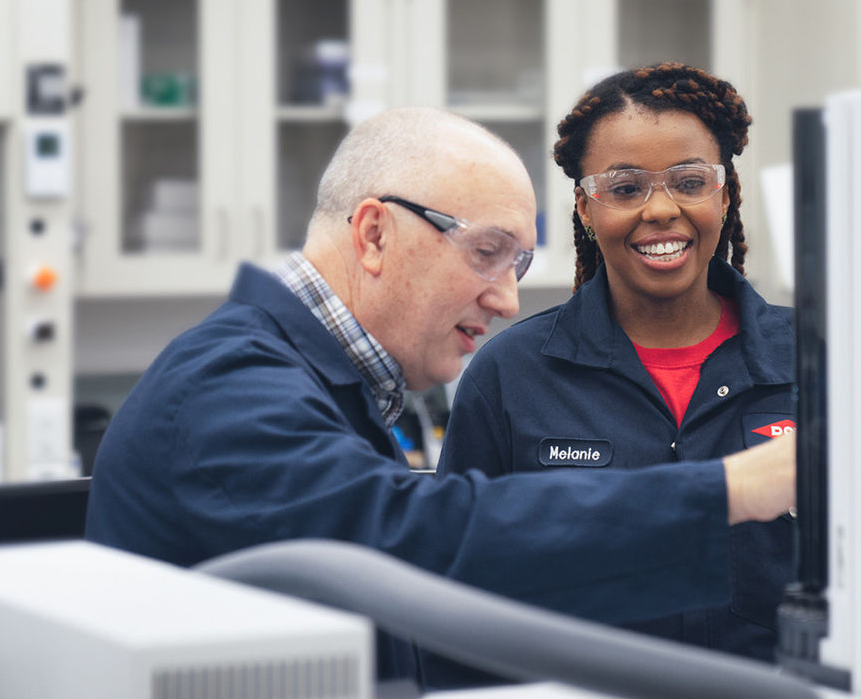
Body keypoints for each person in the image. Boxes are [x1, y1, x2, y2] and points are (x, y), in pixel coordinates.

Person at [85, 106, 795, 688]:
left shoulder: (313, 381)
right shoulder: (231, 389)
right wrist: (726, 489)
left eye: (518, 264)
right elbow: (417, 544)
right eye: (488, 253)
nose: (509, 299)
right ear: (373, 233)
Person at [436, 64, 796, 670]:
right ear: (585, 206)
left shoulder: (818, 364)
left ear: (725, 193)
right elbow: (453, 594)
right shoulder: (511, 377)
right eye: (626, 188)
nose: (660, 210)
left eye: (689, 181)